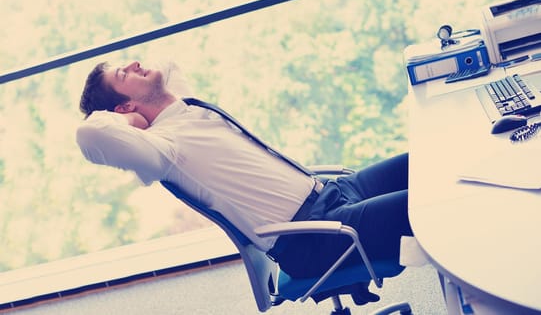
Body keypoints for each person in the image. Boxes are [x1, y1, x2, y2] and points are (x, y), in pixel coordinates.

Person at [76, 60, 413, 305]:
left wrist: (136, 101)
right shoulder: (164, 149)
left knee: (424, 161)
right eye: (124, 74)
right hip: (316, 236)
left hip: (333, 194)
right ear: (124, 106)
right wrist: (128, 119)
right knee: (432, 200)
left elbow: (171, 66)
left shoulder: (186, 109)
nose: (136, 63)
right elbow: (90, 134)